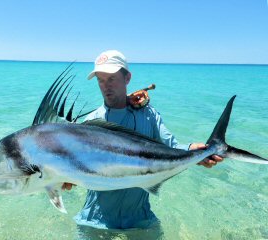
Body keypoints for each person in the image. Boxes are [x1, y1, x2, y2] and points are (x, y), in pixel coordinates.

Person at [62, 50, 223, 231]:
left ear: (127, 78)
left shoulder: (149, 115)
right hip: (94, 221)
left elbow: (173, 147)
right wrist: (64, 178)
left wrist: (195, 151)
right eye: (100, 79)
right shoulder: (88, 124)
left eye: (112, 78)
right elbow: (72, 165)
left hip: (141, 220)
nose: (105, 86)